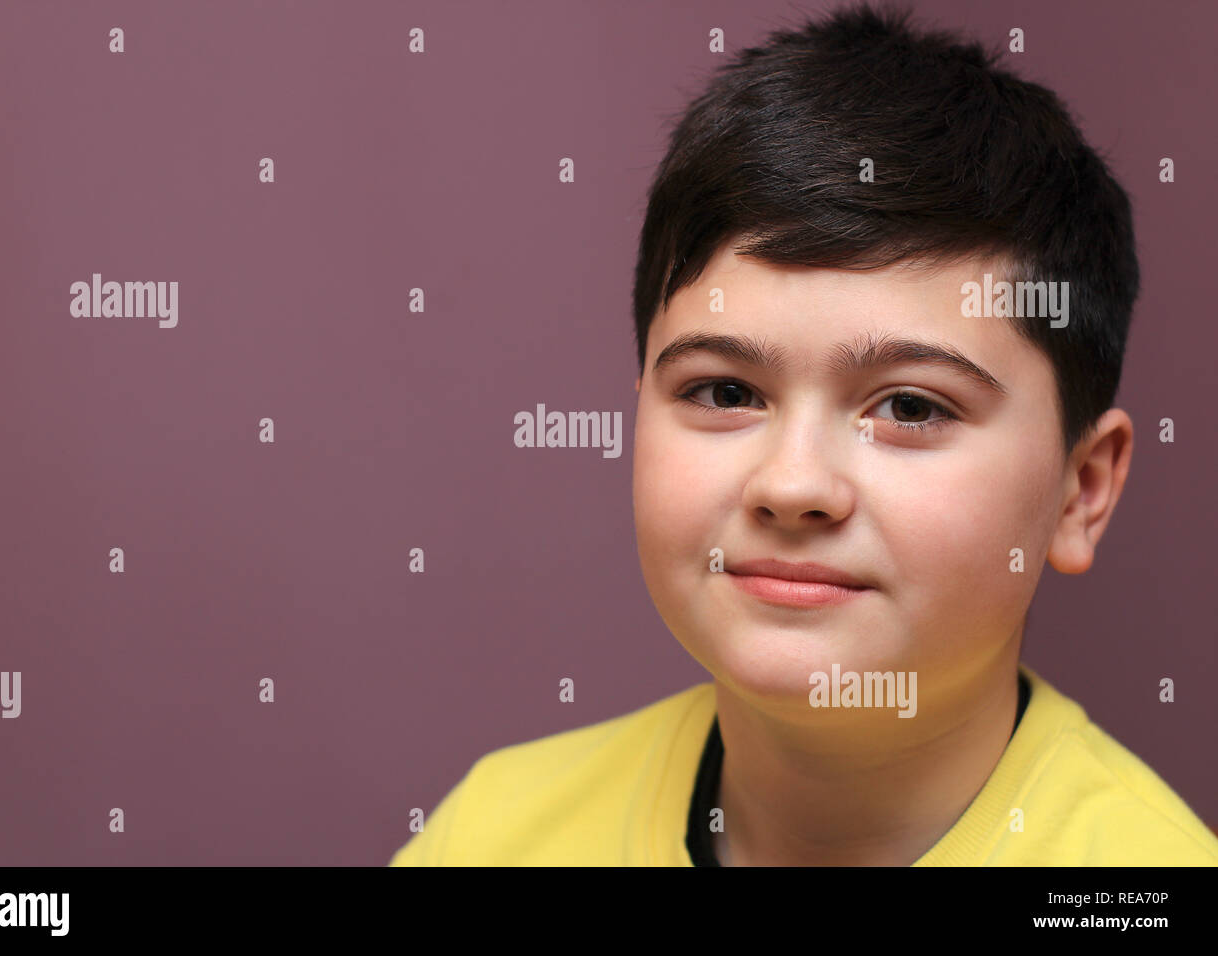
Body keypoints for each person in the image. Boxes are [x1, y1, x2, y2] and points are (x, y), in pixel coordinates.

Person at [389, 2, 1218, 866]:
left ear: (1080, 491)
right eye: (725, 390)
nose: (790, 486)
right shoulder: (493, 834)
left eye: (909, 408)